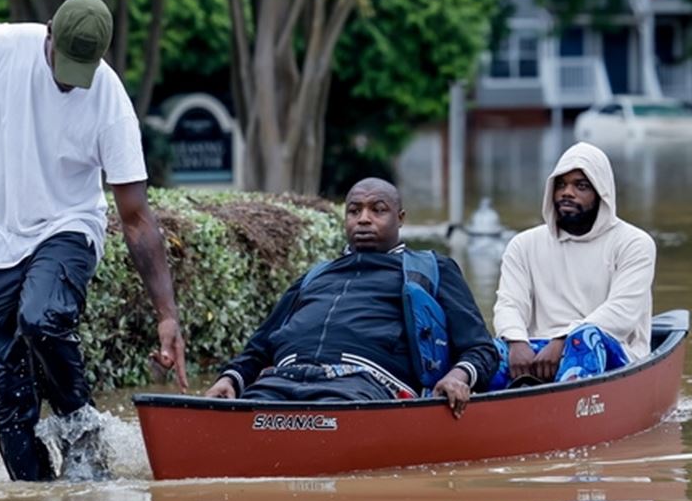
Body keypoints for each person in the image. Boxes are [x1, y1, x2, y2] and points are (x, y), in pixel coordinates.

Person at [0, 0, 187, 482]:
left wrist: (167, 315)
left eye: (81, 69)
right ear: (48, 32)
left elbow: (135, 216)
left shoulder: (111, 103)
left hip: (68, 227)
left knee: (41, 318)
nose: (69, 81)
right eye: (62, 63)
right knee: (8, 398)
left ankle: (84, 439)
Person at [203, 178, 500, 417]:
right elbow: (258, 348)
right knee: (242, 414)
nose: (364, 219)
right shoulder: (314, 276)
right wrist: (229, 380)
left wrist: (458, 377)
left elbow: (481, 349)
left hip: (363, 388)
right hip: (281, 382)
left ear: (400, 218)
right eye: (354, 211)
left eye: (378, 210)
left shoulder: (432, 269)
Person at [490, 142, 655, 389]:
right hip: (537, 351)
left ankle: (564, 414)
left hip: (614, 352)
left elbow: (622, 313)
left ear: (601, 194)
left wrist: (563, 340)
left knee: (584, 338)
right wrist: (516, 341)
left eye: (581, 186)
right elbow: (509, 304)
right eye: (561, 184)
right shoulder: (523, 244)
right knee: (485, 350)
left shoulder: (634, 243)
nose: (567, 192)